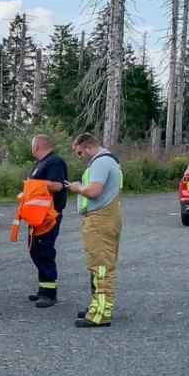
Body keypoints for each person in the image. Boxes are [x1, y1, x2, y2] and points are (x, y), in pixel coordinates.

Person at [67, 132, 123, 329]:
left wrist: (77, 187)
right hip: (107, 217)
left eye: (80, 152)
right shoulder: (110, 161)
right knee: (101, 264)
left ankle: (100, 313)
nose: (79, 156)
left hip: (100, 220)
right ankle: (97, 305)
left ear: (88, 147)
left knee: (101, 266)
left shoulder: (100, 163)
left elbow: (93, 191)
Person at [25, 135, 69, 308]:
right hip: (37, 216)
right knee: (35, 250)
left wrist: (32, 187)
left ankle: (50, 294)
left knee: (45, 250)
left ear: (36, 146)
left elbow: (57, 185)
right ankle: (43, 289)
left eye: (31, 146)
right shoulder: (41, 163)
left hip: (49, 216)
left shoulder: (54, 161)